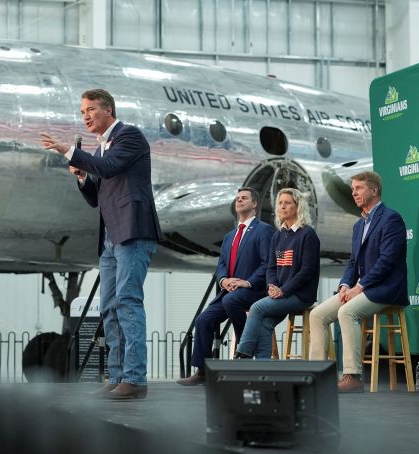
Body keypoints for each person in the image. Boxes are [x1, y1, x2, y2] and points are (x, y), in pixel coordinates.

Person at [40, 88, 162, 400]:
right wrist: (82, 177)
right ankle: (118, 376)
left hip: (132, 231)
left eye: (90, 109)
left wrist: (69, 151)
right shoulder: (100, 149)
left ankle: (135, 378)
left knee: (128, 301)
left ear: (108, 109)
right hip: (109, 237)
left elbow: (108, 169)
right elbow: (95, 197)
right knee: (109, 307)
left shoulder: (129, 136)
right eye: (83, 112)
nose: (86, 116)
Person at [308, 171, 408, 392]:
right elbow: (353, 262)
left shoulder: (391, 219)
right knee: (317, 315)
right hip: (362, 288)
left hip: (386, 288)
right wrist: (345, 285)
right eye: (352, 189)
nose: (354, 193)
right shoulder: (358, 226)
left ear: (374, 190)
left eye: (359, 188)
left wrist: (359, 287)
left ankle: (352, 376)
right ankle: (317, 375)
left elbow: (387, 261)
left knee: (347, 312)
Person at [176, 187, 275, 386]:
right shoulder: (230, 236)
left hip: (254, 290)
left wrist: (247, 282)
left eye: (244, 198)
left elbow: (267, 264)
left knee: (232, 301)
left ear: (255, 204)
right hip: (230, 291)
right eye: (237, 198)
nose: (239, 200)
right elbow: (221, 265)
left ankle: (244, 350)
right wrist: (223, 281)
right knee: (203, 320)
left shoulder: (264, 230)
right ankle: (202, 371)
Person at [234, 188, 320, 359]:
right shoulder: (278, 235)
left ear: (298, 206)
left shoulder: (307, 234)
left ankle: (243, 353)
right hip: (280, 294)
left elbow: (307, 271)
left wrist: (284, 290)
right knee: (265, 324)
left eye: (287, 203)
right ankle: (264, 366)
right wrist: (272, 287)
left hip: (300, 295)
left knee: (256, 307)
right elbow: (271, 267)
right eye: (280, 203)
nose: (282, 206)